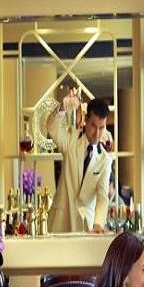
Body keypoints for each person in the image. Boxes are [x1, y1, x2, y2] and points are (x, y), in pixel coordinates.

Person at [46, 91, 114, 233]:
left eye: (101, 128)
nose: (97, 133)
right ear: (86, 120)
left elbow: (102, 197)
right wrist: (63, 106)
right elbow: (52, 127)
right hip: (60, 222)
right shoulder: (71, 140)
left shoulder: (105, 160)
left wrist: (98, 224)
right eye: (93, 126)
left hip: (86, 227)